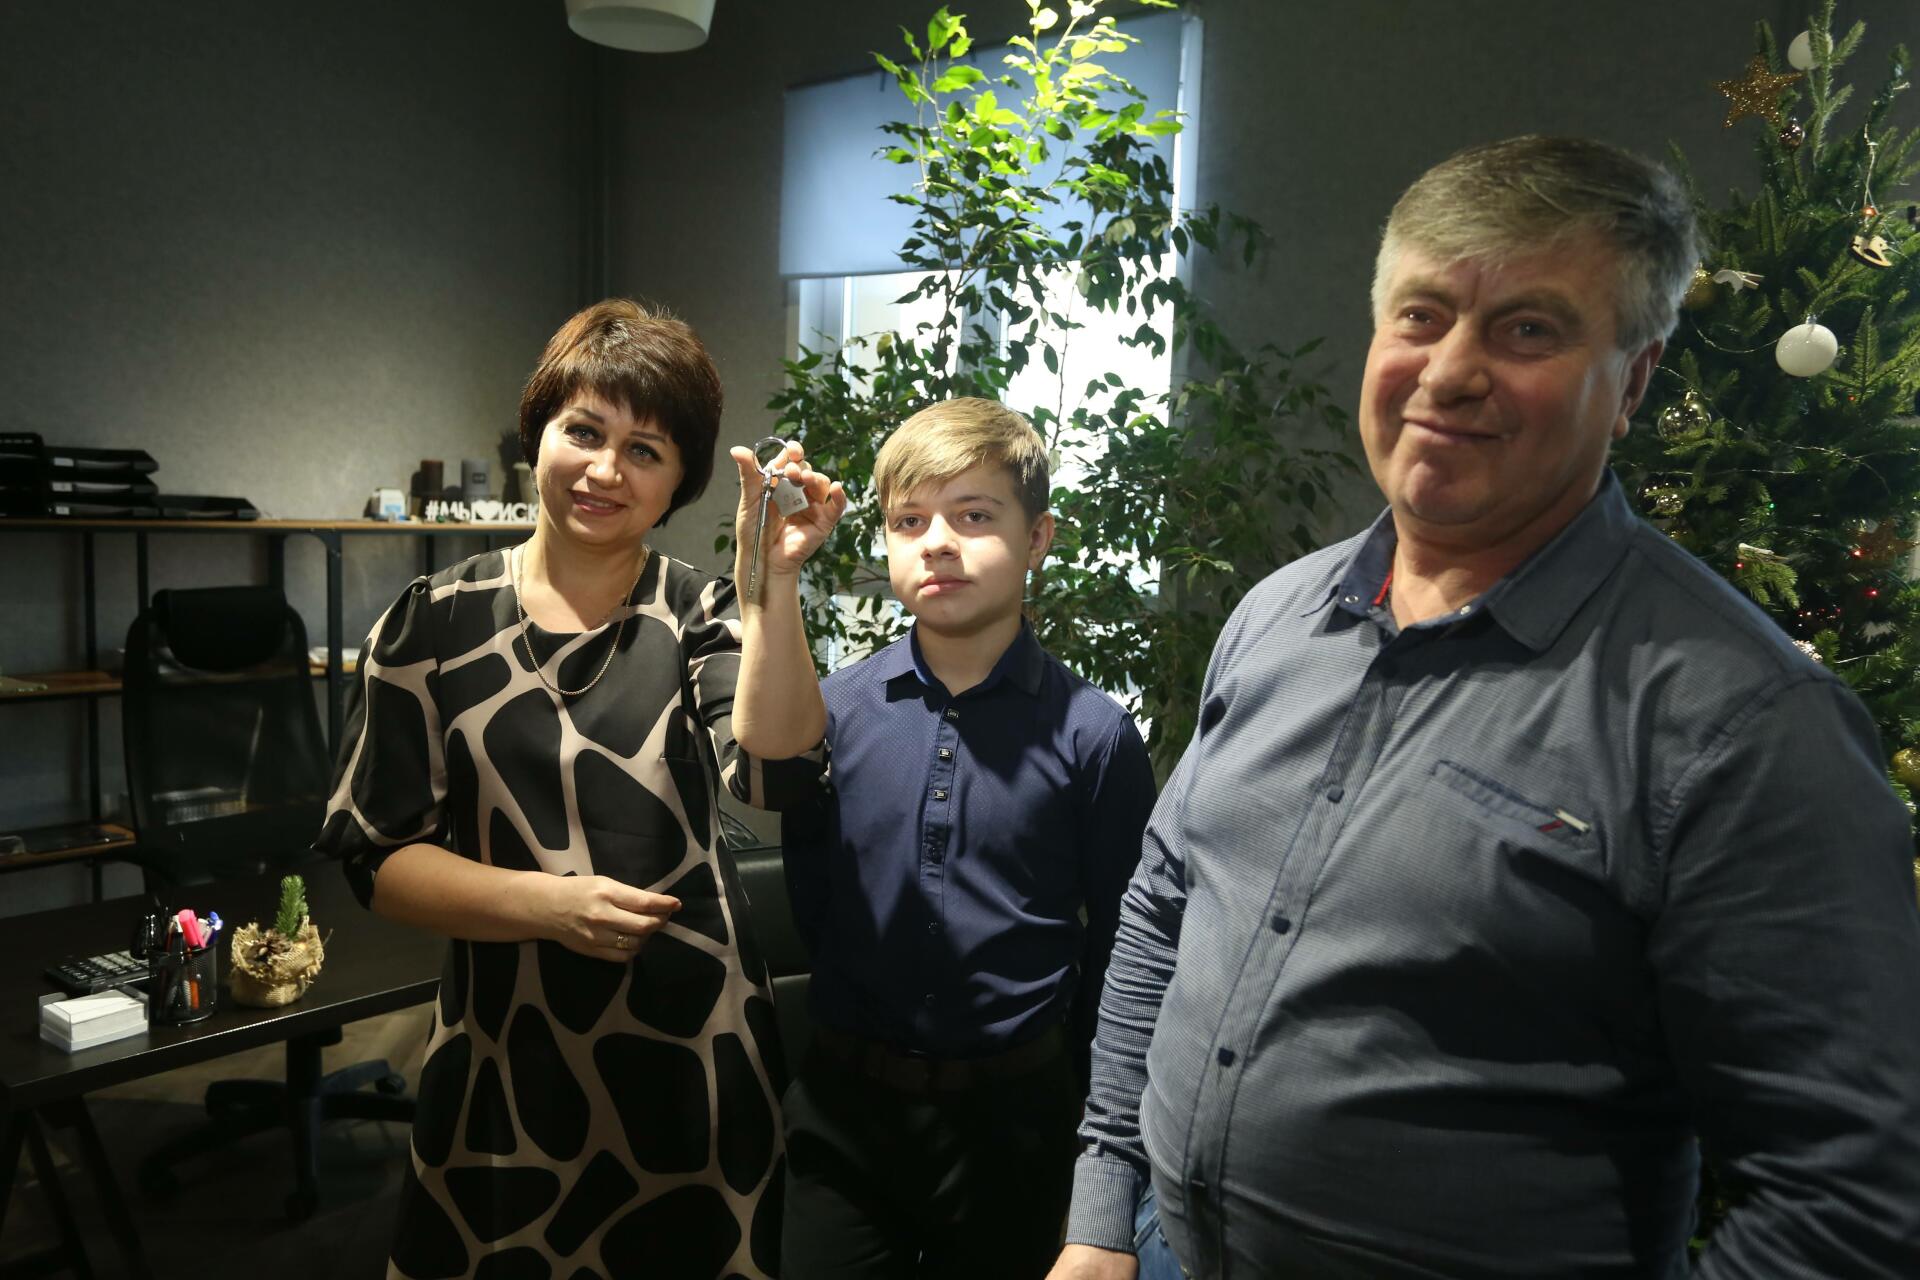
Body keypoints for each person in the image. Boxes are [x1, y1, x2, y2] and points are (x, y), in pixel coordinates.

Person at [1051, 136, 1920, 1279]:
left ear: (1634, 382)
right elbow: (1166, 901)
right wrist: (1103, 1210)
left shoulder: (1744, 722)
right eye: (1421, 316)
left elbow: (1847, 1196)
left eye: (1528, 329)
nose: (1451, 371)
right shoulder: (1273, 616)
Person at [314, 298, 847, 1280]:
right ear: (538, 434)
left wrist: (771, 584)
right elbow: (377, 858)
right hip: (505, 1060)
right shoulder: (431, 622)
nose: (605, 470)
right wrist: (549, 906)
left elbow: (778, 773)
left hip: (694, 1049)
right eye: (584, 431)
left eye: (646, 450)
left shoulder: (701, 613)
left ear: (681, 478)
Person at [776, 398, 1157, 1278]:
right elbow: (815, 899)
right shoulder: (831, 710)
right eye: (909, 521)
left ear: (1037, 538)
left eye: (974, 516)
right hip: (845, 1112)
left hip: (1017, 1121)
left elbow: (1122, 951)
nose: (937, 543)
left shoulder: (1094, 734)